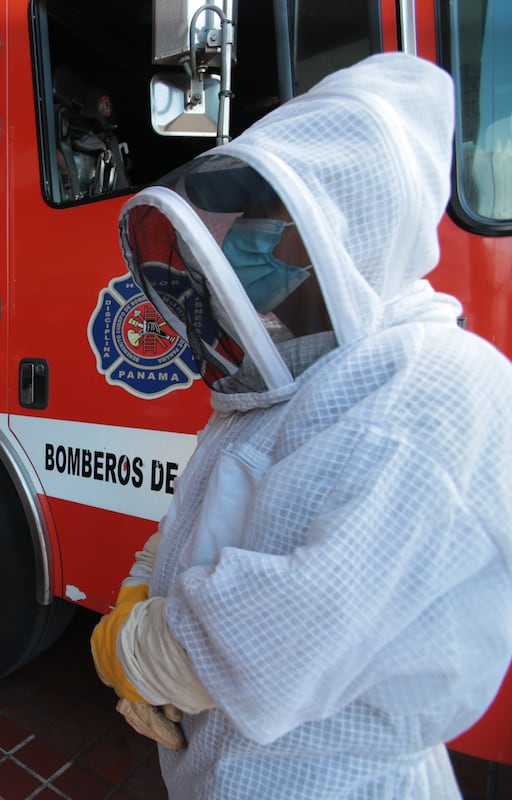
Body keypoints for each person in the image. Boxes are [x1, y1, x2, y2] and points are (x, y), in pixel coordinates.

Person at [89, 53, 512, 798]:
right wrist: (138, 591)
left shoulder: (433, 389)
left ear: (345, 224)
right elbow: (200, 509)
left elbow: (278, 635)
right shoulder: (301, 369)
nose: (233, 248)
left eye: (265, 220)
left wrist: (132, 649)